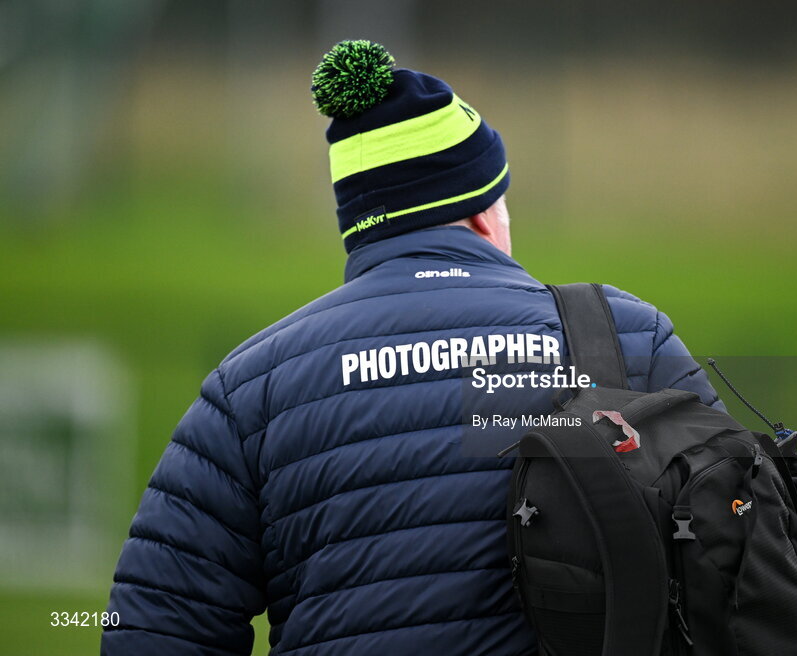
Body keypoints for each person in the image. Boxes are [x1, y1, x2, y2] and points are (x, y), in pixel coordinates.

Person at [101, 40, 724, 656]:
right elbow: (741, 559)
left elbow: (154, 628)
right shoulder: (628, 336)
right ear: (483, 214)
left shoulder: (249, 389)